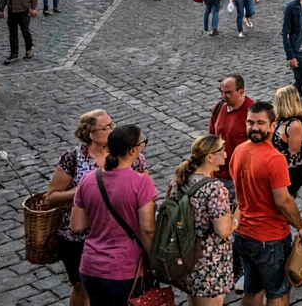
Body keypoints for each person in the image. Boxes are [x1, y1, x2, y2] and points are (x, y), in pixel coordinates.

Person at [45, 110, 149, 306]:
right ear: (90, 134)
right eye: (106, 127)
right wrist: (83, 190)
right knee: (81, 288)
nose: (112, 129)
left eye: (112, 124)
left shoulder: (130, 156)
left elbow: (146, 192)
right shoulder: (73, 158)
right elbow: (50, 198)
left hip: (119, 235)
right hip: (78, 238)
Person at [233, 102, 302, 306]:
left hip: (243, 234)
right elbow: (284, 201)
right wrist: (301, 227)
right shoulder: (275, 159)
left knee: (252, 289)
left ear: (272, 125)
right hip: (270, 237)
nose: (255, 127)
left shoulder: (239, 151)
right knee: (278, 294)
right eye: (250, 122)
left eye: (260, 123)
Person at [69, 124, 157, 306]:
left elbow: (76, 225)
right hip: (125, 269)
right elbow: (147, 229)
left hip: (91, 267)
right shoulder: (141, 183)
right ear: (133, 150)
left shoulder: (88, 179)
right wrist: (155, 263)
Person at [167, 135, 235, 306]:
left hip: (186, 255)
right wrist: (238, 215)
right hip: (210, 262)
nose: (226, 155)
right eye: (222, 151)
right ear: (210, 157)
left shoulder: (179, 181)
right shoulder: (214, 188)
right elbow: (224, 230)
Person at [209, 73, 255, 201]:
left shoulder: (253, 113)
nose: (223, 96)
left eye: (228, 92)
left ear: (241, 91)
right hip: (218, 175)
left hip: (240, 179)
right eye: (221, 92)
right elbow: (210, 140)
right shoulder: (218, 108)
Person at [271, 86, 302, 197]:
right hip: (279, 168)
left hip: (291, 171)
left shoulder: (294, 125)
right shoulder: (279, 122)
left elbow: (294, 152)